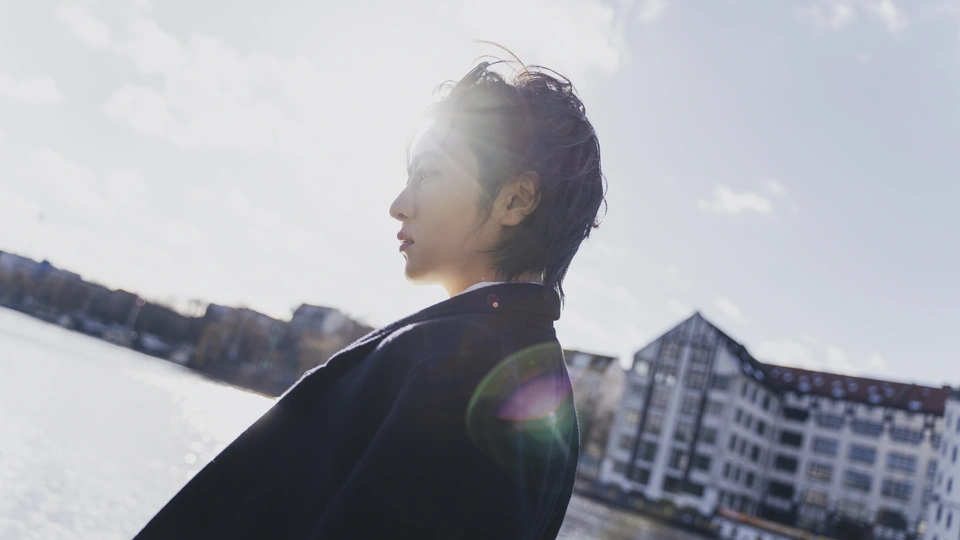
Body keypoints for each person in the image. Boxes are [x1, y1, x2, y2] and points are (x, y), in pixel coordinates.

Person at [133, 57, 607, 539]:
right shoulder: (548, 401)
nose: (399, 204)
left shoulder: (451, 369)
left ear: (515, 200)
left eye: (428, 174)